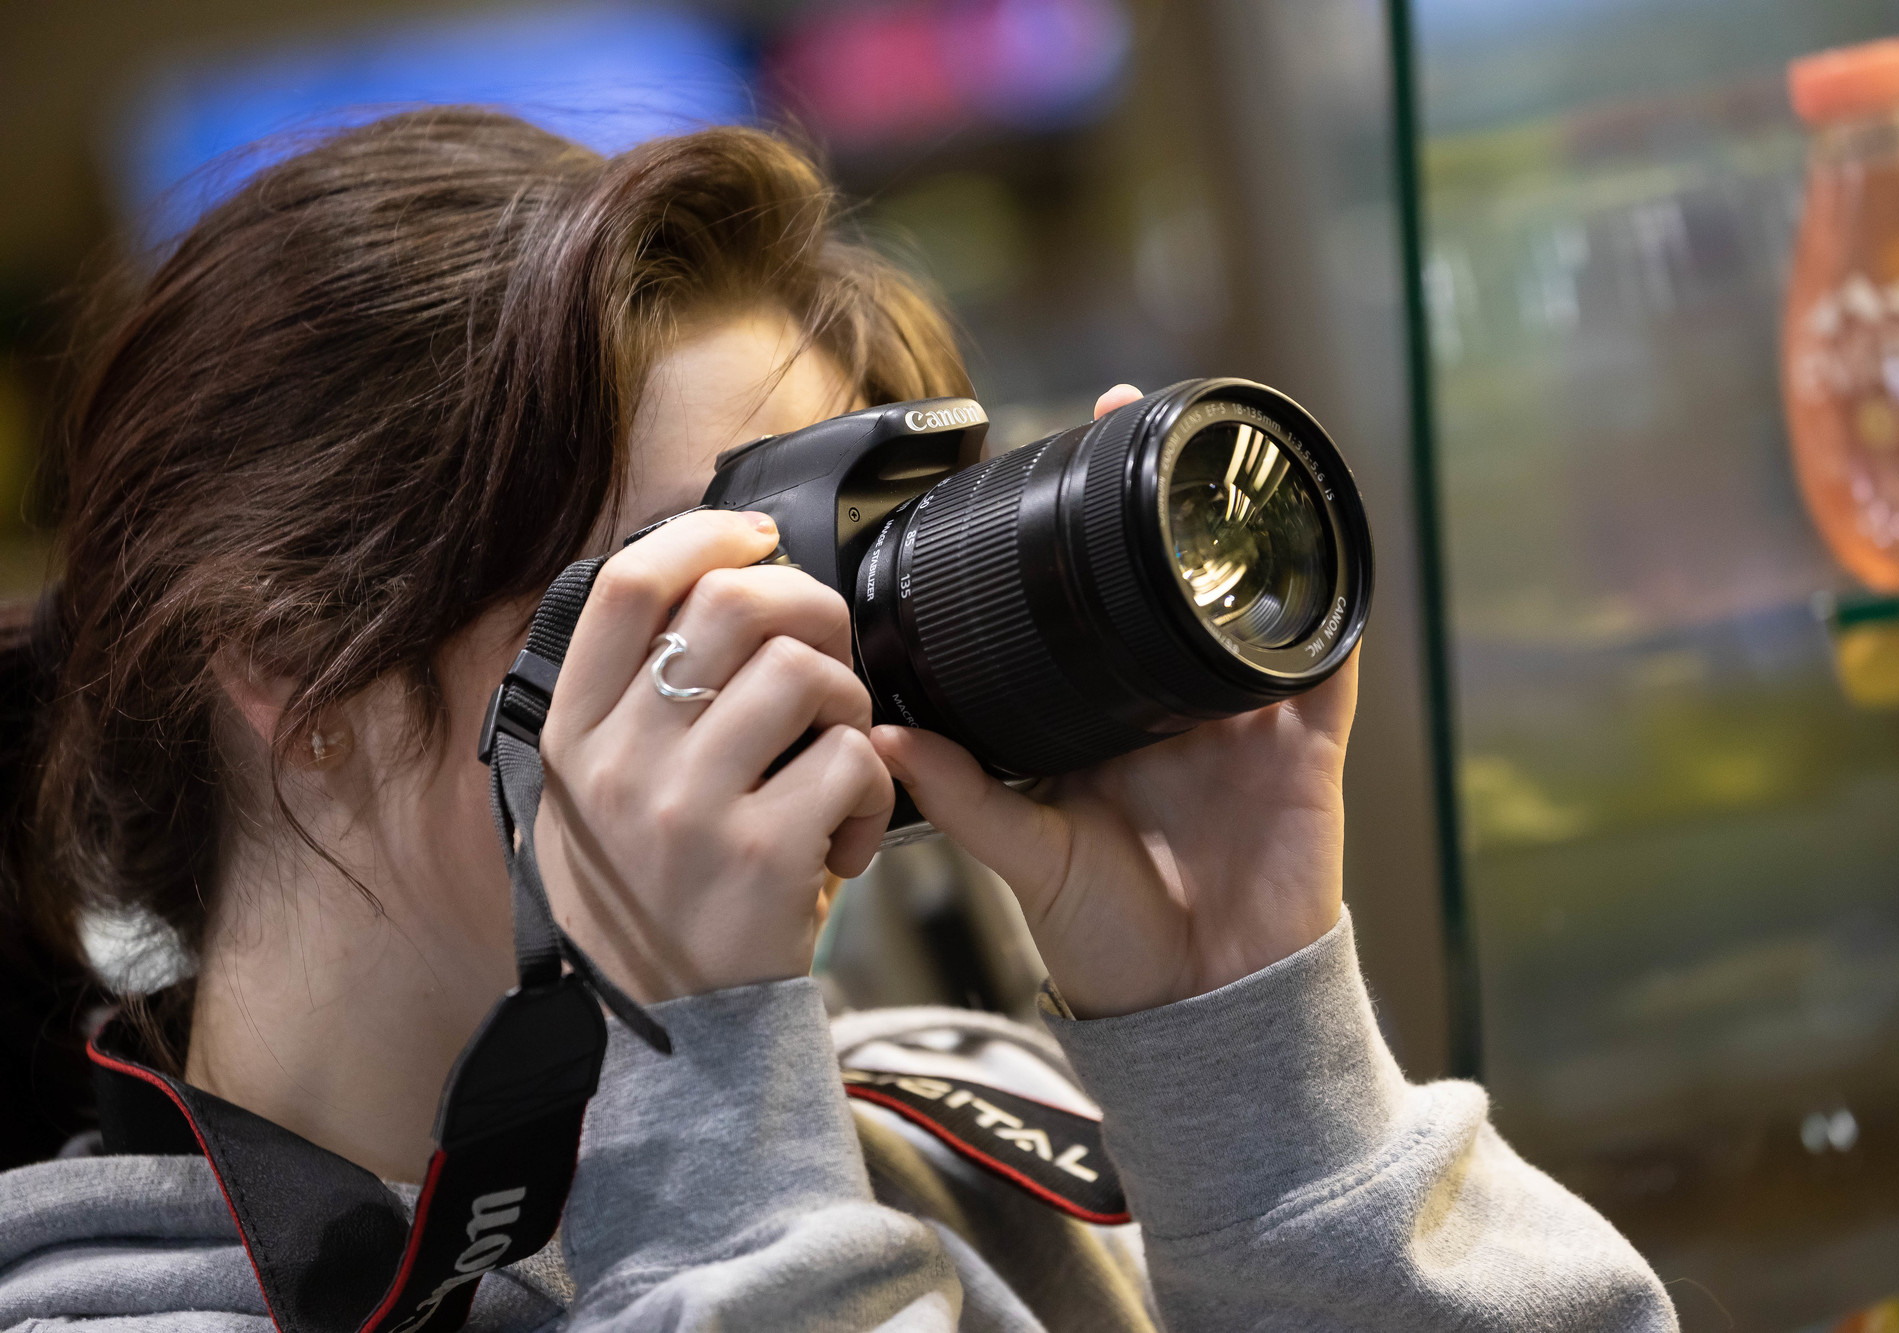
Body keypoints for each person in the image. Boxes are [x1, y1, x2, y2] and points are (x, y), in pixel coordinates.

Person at [0, 110, 1677, 1331]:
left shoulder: (976, 1157)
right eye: (700, 599)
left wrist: (1262, 1085)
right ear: (293, 659)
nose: (820, 686)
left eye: (841, 577)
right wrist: (721, 1124)